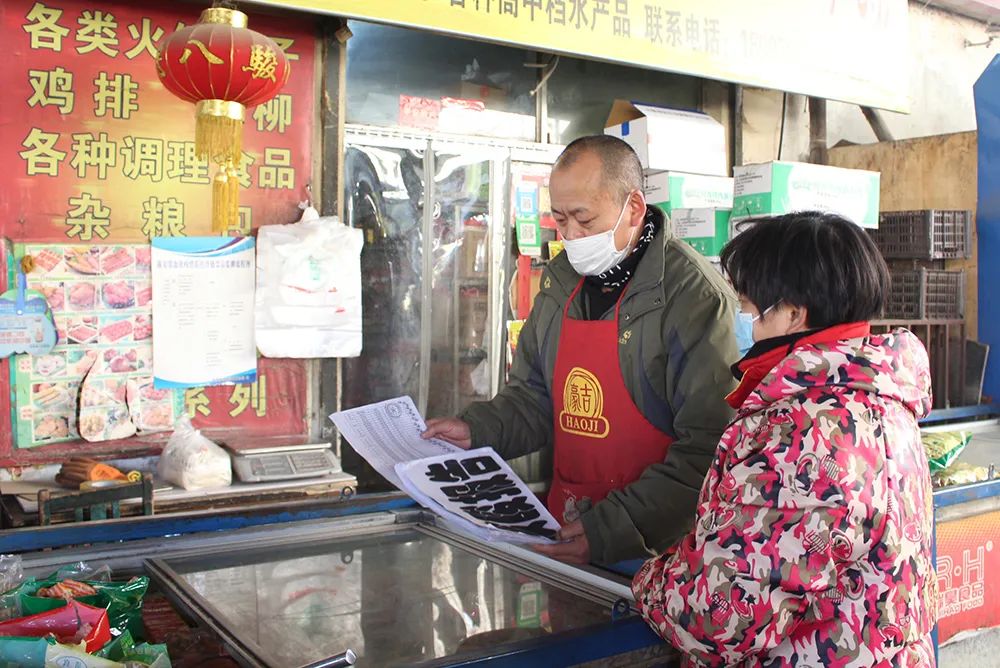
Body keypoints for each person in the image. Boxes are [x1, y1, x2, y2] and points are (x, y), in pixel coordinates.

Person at [632, 211, 937, 666]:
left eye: (751, 311)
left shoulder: (806, 432)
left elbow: (721, 619)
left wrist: (649, 582)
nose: (745, 325)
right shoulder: (882, 398)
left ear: (794, 313)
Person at [423, 135, 738, 565]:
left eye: (583, 220)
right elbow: (534, 398)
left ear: (633, 208)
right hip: (565, 532)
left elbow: (709, 450)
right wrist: (478, 430)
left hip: (658, 556)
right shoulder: (560, 282)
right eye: (559, 219)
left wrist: (611, 529)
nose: (571, 235)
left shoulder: (693, 298)